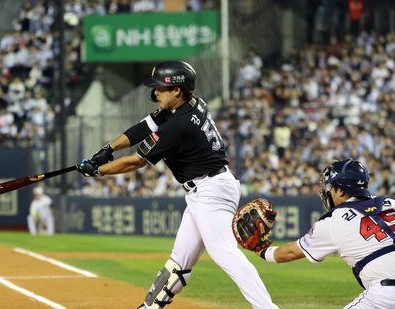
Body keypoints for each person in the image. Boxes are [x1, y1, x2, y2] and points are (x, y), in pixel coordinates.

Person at [77, 61, 278, 308]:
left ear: (177, 90)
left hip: (211, 189)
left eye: (161, 88)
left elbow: (136, 162)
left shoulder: (178, 125)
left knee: (224, 254)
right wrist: (108, 148)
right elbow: (143, 127)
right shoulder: (187, 106)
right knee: (179, 262)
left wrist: (97, 170)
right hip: (204, 188)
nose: (155, 93)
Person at [259, 159, 395, 308]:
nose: (328, 192)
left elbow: (291, 252)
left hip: (389, 296)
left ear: (340, 190)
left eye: (330, 188)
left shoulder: (333, 221)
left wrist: (261, 250)